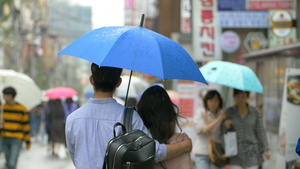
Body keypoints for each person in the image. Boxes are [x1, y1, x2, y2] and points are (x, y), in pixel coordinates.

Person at [65, 63, 192, 169]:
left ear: (91, 80)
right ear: (119, 82)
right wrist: (184, 146)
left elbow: (76, 158)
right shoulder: (130, 117)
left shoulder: (72, 119)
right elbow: (153, 152)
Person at [136, 85, 193, 169]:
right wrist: (185, 146)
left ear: (141, 110)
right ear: (169, 111)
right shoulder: (180, 141)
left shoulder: (136, 140)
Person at [223, 89, 270, 169]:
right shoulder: (229, 112)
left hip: (252, 152)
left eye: (243, 96)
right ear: (234, 97)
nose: (240, 99)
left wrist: (265, 149)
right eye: (237, 96)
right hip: (235, 153)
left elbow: (260, 131)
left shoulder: (255, 112)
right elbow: (223, 132)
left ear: (247, 97)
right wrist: (225, 126)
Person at [192, 90, 226, 169]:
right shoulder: (201, 112)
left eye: (215, 101)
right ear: (206, 101)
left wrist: (226, 123)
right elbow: (203, 130)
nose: (213, 104)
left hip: (216, 152)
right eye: (210, 101)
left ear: (219, 102)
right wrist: (218, 119)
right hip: (202, 152)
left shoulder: (221, 114)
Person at [0, 87, 31, 169]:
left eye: (5, 95)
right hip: (5, 137)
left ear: (10, 96)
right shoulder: (2, 108)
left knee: (12, 163)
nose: (3, 97)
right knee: (7, 161)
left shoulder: (21, 109)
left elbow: (26, 125)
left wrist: (28, 141)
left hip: (16, 139)